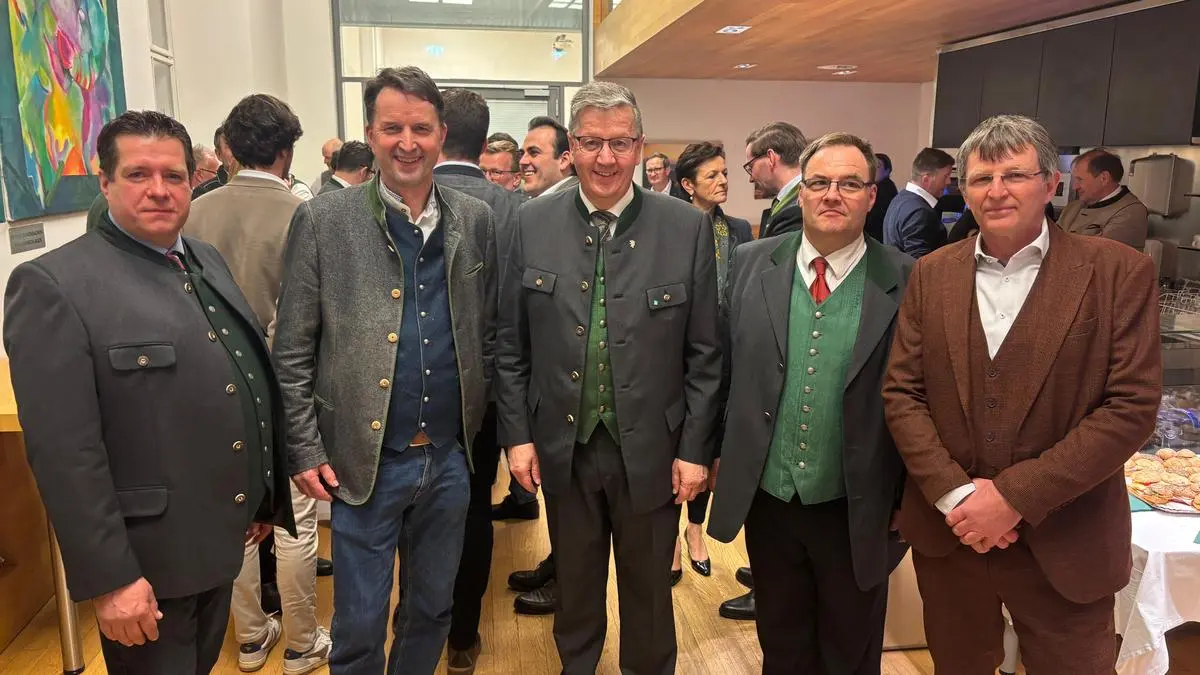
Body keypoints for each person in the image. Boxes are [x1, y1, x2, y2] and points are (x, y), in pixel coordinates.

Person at [4, 110, 294, 674]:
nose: (159, 190)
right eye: (138, 174)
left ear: (194, 181)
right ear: (105, 181)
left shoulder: (202, 258)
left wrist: (258, 498)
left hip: (215, 539)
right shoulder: (55, 285)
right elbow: (66, 455)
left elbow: (237, 376)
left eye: (173, 176)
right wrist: (111, 579)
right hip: (145, 564)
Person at [882, 114, 1161, 674]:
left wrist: (1012, 497)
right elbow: (903, 394)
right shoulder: (932, 273)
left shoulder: (1118, 272)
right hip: (953, 537)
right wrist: (956, 496)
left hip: (1068, 538)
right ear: (963, 188)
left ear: (1051, 183)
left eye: (1015, 175)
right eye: (981, 178)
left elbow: (1130, 408)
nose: (997, 191)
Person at [273, 65, 496, 675]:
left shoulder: (474, 218)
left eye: (420, 128)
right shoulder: (323, 221)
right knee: (359, 623)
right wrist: (303, 447)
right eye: (392, 128)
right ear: (370, 133)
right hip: (362, 460)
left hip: (448, 458)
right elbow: (291, 349)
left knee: (432, 610)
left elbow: (488, 331)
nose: (407, 142)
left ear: (441, 133)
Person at [496, 81, 721, 675]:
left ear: (640, 145)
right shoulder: (530, 221)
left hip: (654, 449)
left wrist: (695, 449)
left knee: (649, 594)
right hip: (562, 444)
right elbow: (510, 345)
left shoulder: (684, 227)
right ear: (571, 146)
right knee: (574, 588)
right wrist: (517, 437)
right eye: (591, 142)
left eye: (620, 143)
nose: (605, 158)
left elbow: (705, 353)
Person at [709, 132, 912, 674]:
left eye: (850, 184)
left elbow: (922, 397)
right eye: (819, 182)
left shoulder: (907, 277)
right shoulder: (751, 262)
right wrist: (709, 454)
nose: (832, 195)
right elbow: (722, 368)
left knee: (850, 649)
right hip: (769, 499)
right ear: (800, 192)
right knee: (782, 643)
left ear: (872, 195)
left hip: (858, 502)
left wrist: (909, 495)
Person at [185, 93, 332, 674]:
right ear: (286, 151)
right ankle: (302, 643)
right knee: (296, 518)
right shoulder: (307, 213)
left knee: (236, 516)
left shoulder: (193, 212)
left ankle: (249, 638)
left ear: (228, 148)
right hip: (287, 387)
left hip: (211, 388)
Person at [432, 87, 525, 675]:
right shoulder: (516, 209)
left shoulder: (410, 198)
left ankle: (419, 619)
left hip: (415, 389)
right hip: (490, 390)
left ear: (439, 133)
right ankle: (463, 634)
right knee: (473, 506)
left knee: (413, 510)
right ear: (485, 140)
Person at [670, 141, 753, 583]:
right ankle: (669, 536)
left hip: (724, 354)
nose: (723, 182)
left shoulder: (737, 229)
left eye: (725, 173)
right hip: (675, 355)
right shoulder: (670, 227)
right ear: (688, 185)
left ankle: (695, 531)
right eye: (712, 175)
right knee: (673, 444)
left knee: (708, 445)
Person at [1059, 148, 1149, 249]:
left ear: (1104, 178)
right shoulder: (1072, 207)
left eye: (1080, 179)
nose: (1074, 187)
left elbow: (1098, 253)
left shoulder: (1131, 212)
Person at [882, 148, 953, 258]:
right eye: (946, 176)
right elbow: (919, 262)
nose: (949, 182)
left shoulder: (901, 198)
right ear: (926, 179)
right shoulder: (920, 211)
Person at [744, 122, 808, 238]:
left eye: (751, 166)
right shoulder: (798, 197)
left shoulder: (804, 202)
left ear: (771, 158)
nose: (751, 178)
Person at [518, 116, 577, 198]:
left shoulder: (576, 200)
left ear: (564, 160)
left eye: (534, 152)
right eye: (521, 154)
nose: (522, 161)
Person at [865, 152, 897, 242]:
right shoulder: (875, 186)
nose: (874, 169)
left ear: (887, 171)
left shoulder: (885, 189)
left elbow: (873, 220)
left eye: (878, 166)